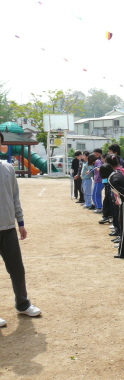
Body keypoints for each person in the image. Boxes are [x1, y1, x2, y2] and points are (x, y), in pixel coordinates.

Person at [0, 131, 42, 327]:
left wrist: (21, 223)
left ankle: (22, 304)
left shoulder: (7, 168)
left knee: (17, 269)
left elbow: (15, 198)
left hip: (8, 228)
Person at [91, 148, 104, 213]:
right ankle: (100, 207)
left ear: (97, 153)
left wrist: (97, 168)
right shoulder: (99, 160)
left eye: (94, 153)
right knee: (98, 195)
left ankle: (99, 207)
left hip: (98, 180)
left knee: (95, 195)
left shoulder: (98, 161)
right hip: (99, 180)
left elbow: (99, 167)